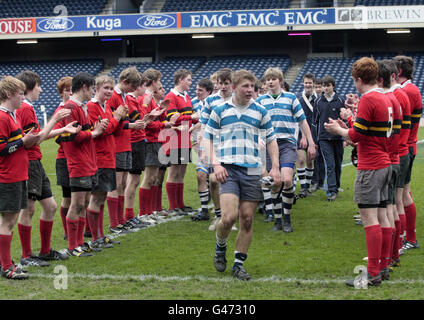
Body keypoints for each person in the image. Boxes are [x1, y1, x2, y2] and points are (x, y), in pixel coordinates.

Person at [203, 69, 281, 281]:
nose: (250, 90)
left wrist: (275, 166)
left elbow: (272, 139)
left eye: (252, 87)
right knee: (228, 217)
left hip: (253, 170)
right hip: (228, 169)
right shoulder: (220, 110)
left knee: (247, 219)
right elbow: (207, 138)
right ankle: (220, 247)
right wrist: (216, 164)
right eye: (245, 86)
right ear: (235, 87)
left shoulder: (260, 111)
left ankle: (239, 264)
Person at [324, 57, 392, 287]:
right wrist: (348, 127)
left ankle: (372, 272)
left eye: (354, 80)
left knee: (369, 219)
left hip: (371, 165)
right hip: (385, 162)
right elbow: (367, 131)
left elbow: (357, 136)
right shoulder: (386, 97)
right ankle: (383, 266)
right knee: (382, 216)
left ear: (359, 79)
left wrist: (338, 130)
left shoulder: (368, 99)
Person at [16, 70, 76, 266]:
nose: (41, 90)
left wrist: (62, 128)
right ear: (29, 88)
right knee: (29, 209)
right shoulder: (24, 109)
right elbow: (33, 141)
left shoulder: (27, 107)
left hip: (36, 163)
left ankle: (44, 251)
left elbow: (39, 135)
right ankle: (26, 256)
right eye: (39, 86)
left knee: (50, 206)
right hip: (29, 162)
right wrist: (56, 120)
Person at [256, 67, 315, 233]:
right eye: (268, 79)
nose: (270, 81)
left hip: (287, 144)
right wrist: (258, 140)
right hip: (269, 146)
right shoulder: (261, 101)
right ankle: (277, 220)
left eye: (273, 79)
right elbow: (255, 125)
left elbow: (303, 122)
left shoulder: (291, 98)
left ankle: (287, 218)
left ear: (280, 81)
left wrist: (310, 142)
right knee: (274, 183)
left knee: (287, 180)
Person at [56, 72, 108, 257]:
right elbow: (73, 137)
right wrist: (94, 133)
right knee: (77, 203)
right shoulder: (71, 107)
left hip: (88, 161)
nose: (93, 91)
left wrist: (95, 130)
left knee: (84, 202)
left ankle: (79, 243)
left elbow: (82, 133)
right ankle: (73, 246)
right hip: (78, 162)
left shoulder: (81, 106)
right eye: (92, 88)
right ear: (84, 87)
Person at [0, 76, 41, 279]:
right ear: (8, 94)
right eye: (20, 94)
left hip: (17, 174)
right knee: (7, 221)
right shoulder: (2, 116)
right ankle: (6, 266)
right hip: (8, 176)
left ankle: (6, 263)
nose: (22, 98)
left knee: (11, 220)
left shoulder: (12, 115)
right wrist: (24, 141)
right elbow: (1, 148)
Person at [86, 75, 129, 249]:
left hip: (108, 156)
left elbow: (114, 130)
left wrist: (120, 117)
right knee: (96, 197)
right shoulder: (92, 107)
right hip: (99, 157)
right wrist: (116, 117)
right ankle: (95, 236)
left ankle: (101, 235)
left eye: (111, 88)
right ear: (97, 88)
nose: (109, 91)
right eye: (106, 88)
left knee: (102, 196)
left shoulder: (106, 107)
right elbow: (102, 131)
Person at [194, 69, 233, 229]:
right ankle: (219, 216)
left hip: (234, 148)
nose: (222, 86)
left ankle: (229, 215)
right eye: (220, 83)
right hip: (214, 147)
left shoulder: (239, 100)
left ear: (232, 84)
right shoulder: (210, 101)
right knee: (214, 181)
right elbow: (203, 125)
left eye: (226, 83)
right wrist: (203, 148)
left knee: (232, 183)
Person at [105, 67, 142, 234]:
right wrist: (132, 125)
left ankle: (121, 220)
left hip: (125, 144)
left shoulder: (122, 96)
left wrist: (130, 125)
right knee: (116, 184)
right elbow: (112, 122)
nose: (134, 90)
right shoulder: (112, 97)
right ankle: (114, 223)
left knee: (123, 183)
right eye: (133, 86)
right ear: (125, 82)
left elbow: (121, 121)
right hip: (117, 145)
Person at [376, 60, 403, 280]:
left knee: (388, 209)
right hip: (394, 157)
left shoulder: (389, 98)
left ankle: (389, 258)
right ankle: (391, 256)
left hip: (390, 158)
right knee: (391, 207)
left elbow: (393, 133)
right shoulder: (394, 97)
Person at [139, 68, 176, 224]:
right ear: (153, 82)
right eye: (159, 81)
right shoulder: (146, 97)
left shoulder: (151, 98)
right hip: (150, 140)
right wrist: (164, 123)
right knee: (149, 178)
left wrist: (162, 111)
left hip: (156, 140)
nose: (161, 84)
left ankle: (150, 211)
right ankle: (144, 213)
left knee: (153, 177)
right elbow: (146, 122)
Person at [393, 55, 422, 252]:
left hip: (405, 147)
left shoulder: (406, 91)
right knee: (404, 194)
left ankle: (408, 238)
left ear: (399, 72)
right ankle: (408, 237)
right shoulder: (412, 89)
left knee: (401, 197)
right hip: (409, 146)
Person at [164, 69, 199, 215]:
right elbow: (173, 118)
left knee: (181, 172)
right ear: (180, 80)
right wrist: (191, 118)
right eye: (188, 80)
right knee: (174, 172)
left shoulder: (186, 96)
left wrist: (194, 118)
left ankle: (180, 204)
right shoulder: (171, 96)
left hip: (185, 137)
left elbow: (185, 116)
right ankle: (173, 206)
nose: (190, 83)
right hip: (174, 137)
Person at [314, 75, 345, 201]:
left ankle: (336, 186)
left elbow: (344, 120)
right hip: (324, 138)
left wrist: (345, 136)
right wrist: (315, 140)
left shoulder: (340, 100)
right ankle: (331, 190)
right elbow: (314, 122)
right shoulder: (318, 102)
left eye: (328, 85)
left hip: (338, 137)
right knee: (330, 164)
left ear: (333, 86)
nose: (325, 88)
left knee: (338, 163)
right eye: (324, 86)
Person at [190, 78, 214, 221]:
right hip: (200, 147)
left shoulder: (215, 103)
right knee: (201, 176)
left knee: (215, 179)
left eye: (200, 90)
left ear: (209, 92)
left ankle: (222, 210)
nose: (197, 92)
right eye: (197, 89)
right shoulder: (192, 103)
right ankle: (204, 210)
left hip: (215, 145)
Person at [55, 76, 73, 240]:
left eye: (72, 89)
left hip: (78, 159)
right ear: (61, 92)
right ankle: (68, 231)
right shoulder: (60, 111)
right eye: (67, 90)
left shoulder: (75, 108)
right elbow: (56, 136)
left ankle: (80, 228)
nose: (70, 93)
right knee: (68, 197)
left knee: (82, 196)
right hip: (65, 159)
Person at [296, 72, 318, 198]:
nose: (308, 85)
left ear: (313, 84)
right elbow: (299, 120)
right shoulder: (298, 99)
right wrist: (303, 136)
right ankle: (303, 188)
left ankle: (307, 187)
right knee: (300, 160)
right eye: (306, 83)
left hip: (314, 134)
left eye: (310, 83)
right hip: (300, 134)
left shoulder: (318, 99)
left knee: (310, 160)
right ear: (303, 84)